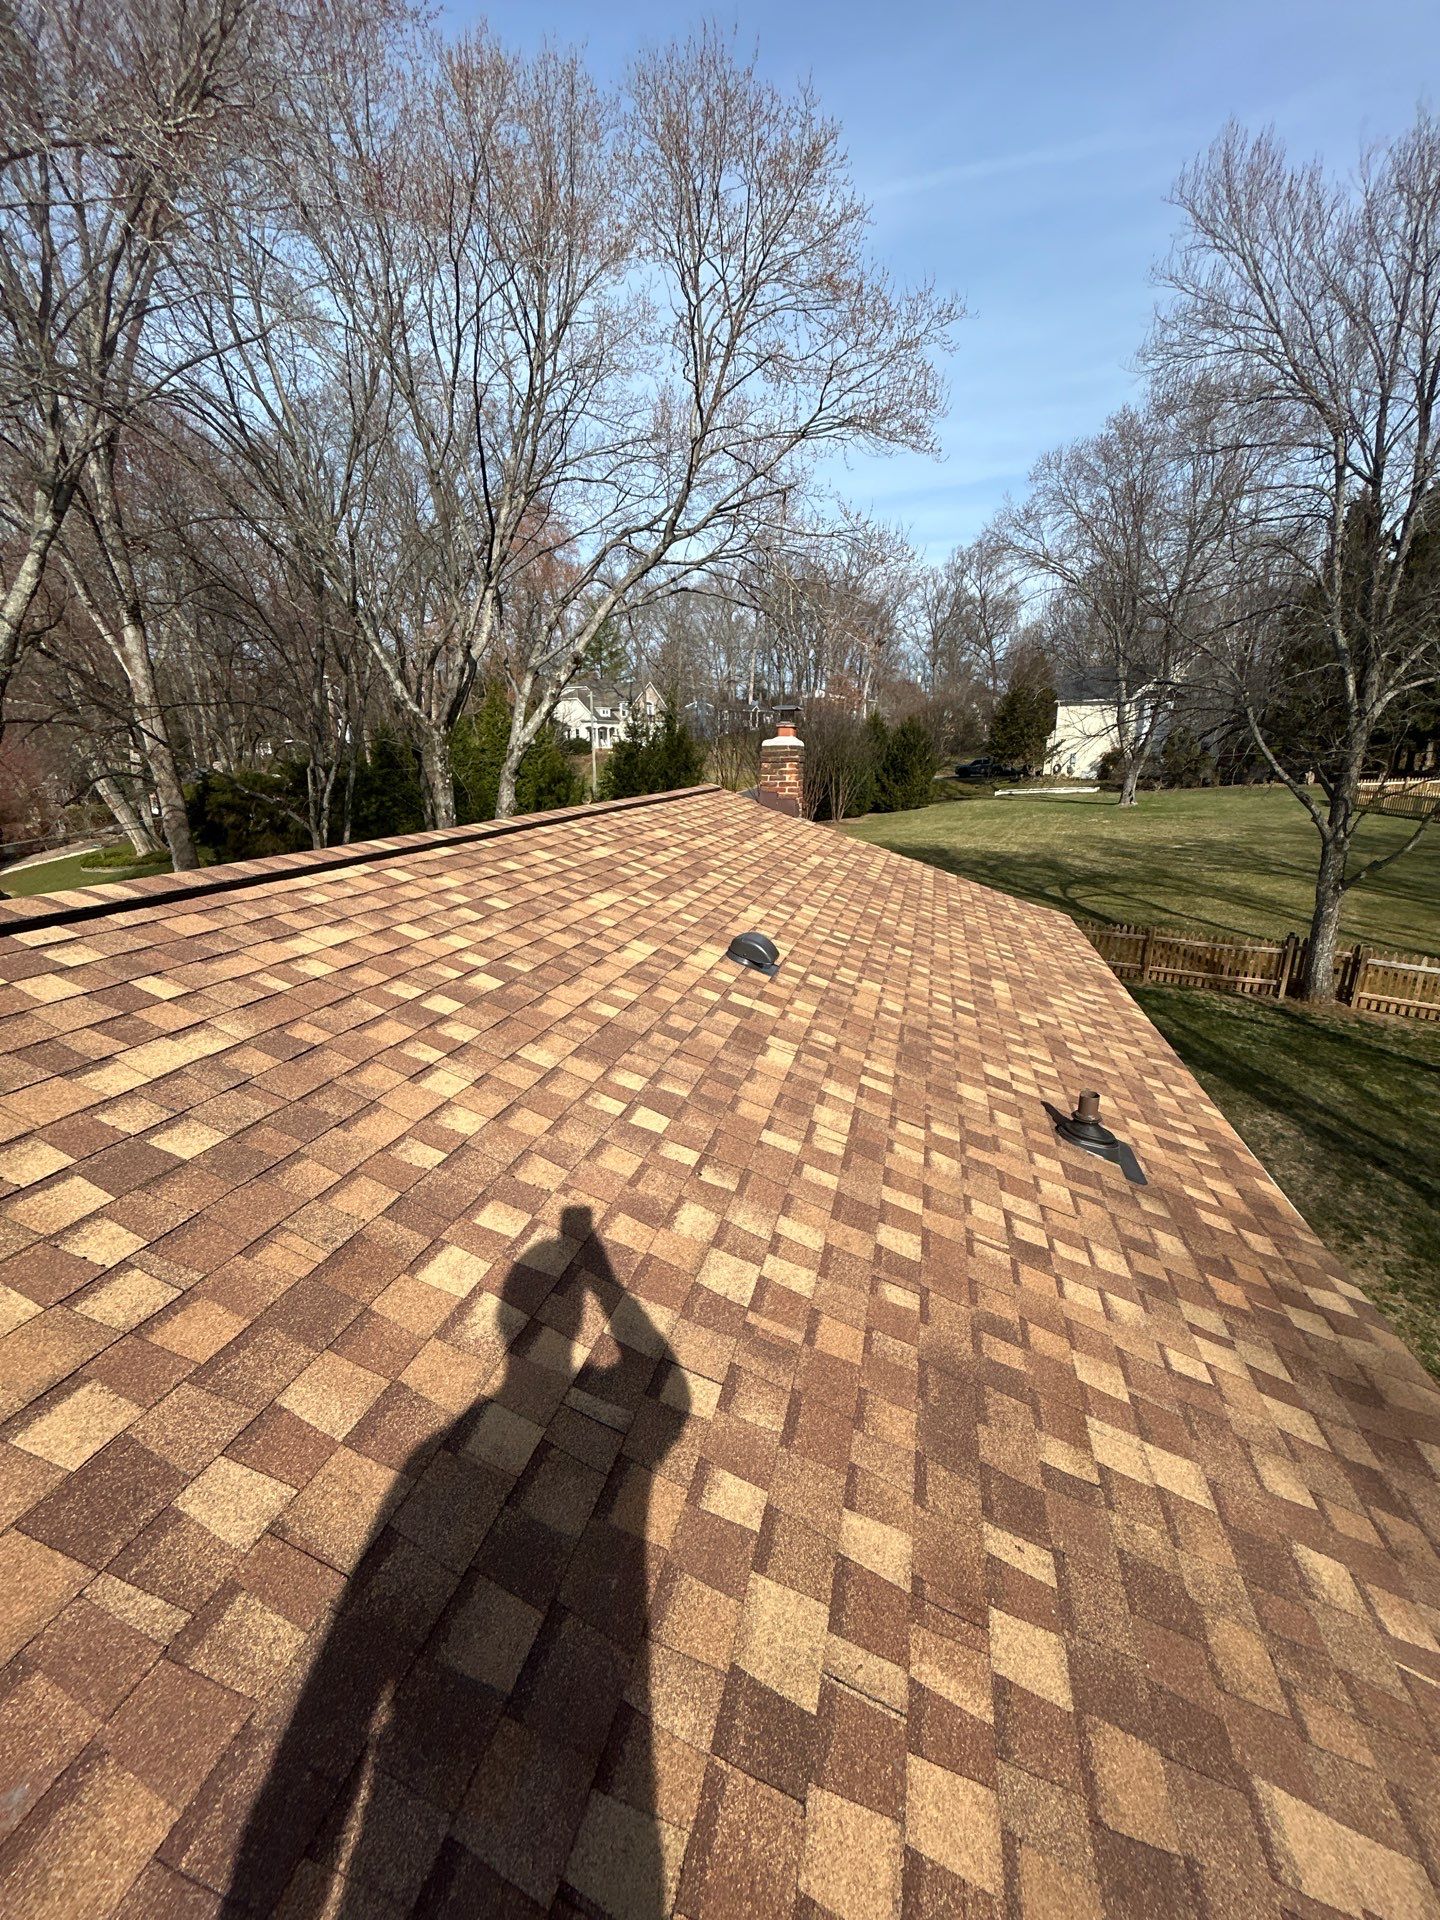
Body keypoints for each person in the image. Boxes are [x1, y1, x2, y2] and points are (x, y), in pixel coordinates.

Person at [220, 1203, 687, 1916]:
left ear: (510, 1328)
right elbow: (663, 1380)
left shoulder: (443, 1446)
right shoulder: (549, 1421)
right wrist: (599, 1273)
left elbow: (341, 1674)